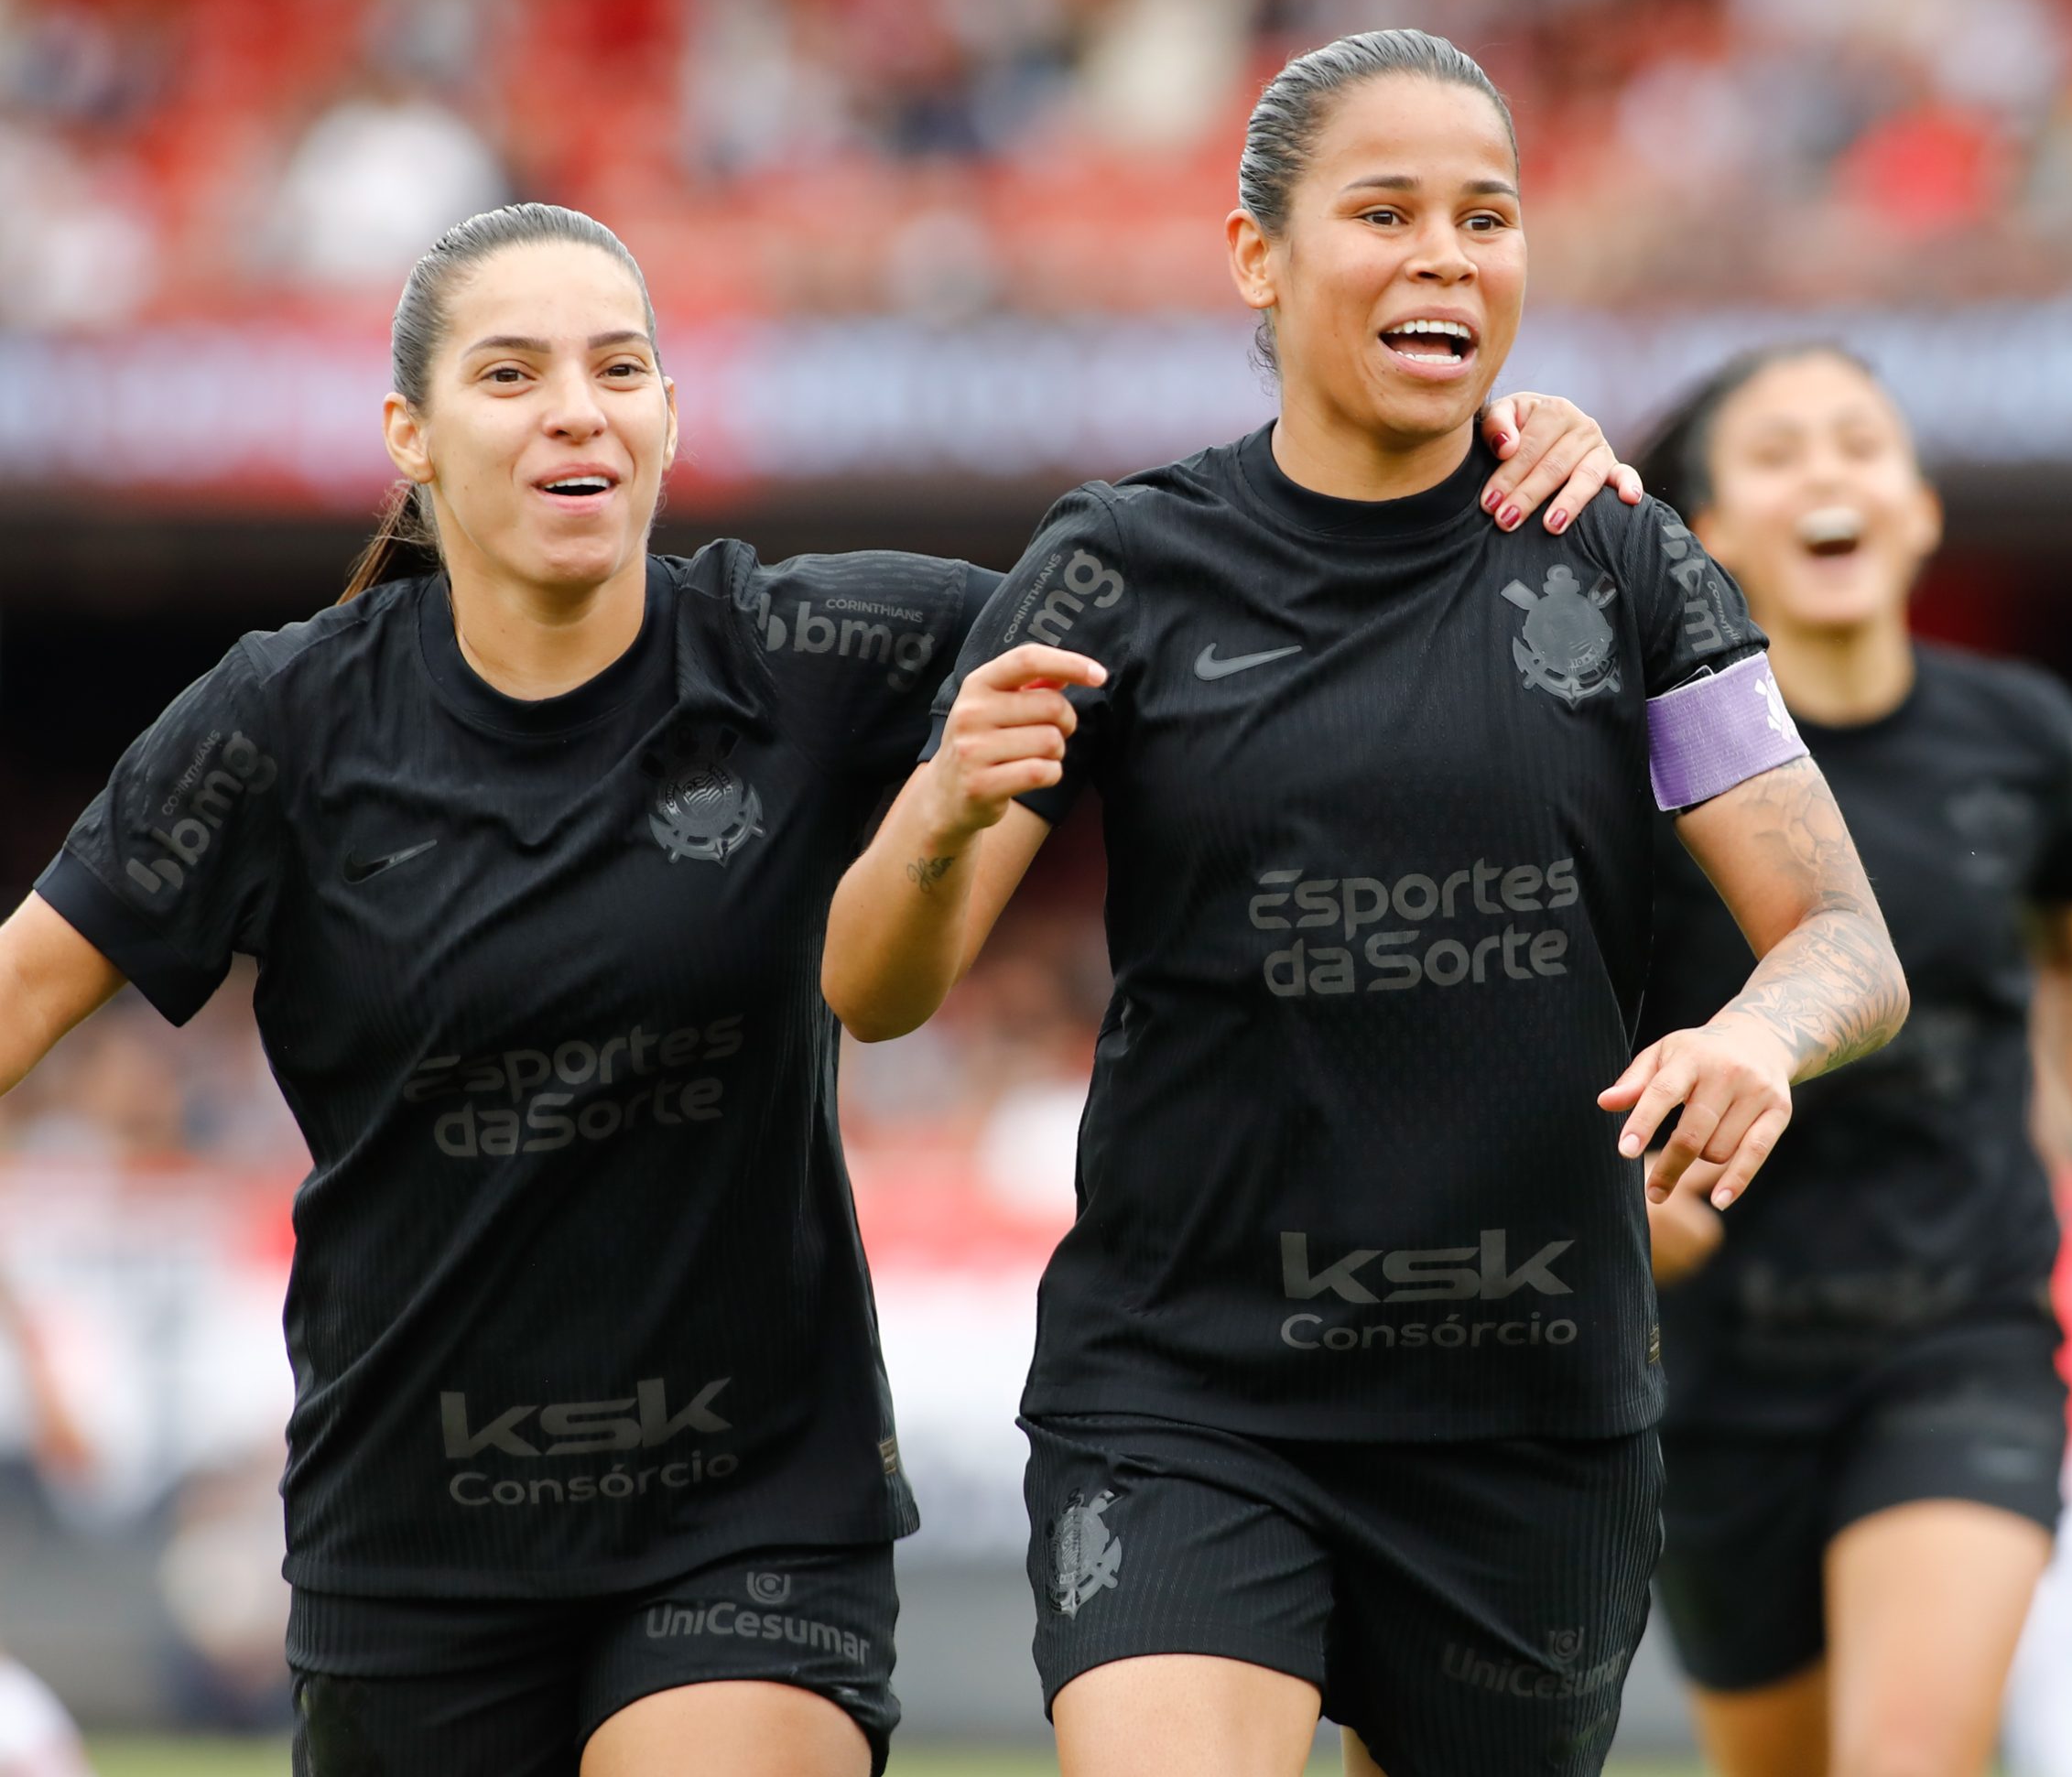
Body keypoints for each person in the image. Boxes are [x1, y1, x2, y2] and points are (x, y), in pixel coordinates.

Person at [0, 198, 1638, 1777]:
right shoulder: (278, 724)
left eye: (621, 368)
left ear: (664, 410)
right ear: (409, 434)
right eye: (511, 376)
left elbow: (1209, 601)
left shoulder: (812, 650)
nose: (577, 413)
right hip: (406, 1528)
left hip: (753, 1513)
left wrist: (1448, 447)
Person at [821, 31, 1909, 1777]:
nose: (1446, 254)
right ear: (1257, 256)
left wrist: (1761, 1037)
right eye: (1384, 209)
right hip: (1186, 1394)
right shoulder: (1117, 564)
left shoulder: (1625, 561)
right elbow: (878, 991)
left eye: (1487, 216)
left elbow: (1846, 941)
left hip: (1530, 1418)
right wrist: (943, 806)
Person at [1632, 344, 2072, 1777]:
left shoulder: (2026, 737)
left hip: (1962, 1336)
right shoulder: (1647, 771)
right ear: (1713, 529)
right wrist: (1609, 1195)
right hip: (1715, 1374)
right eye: (1780, 451)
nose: (1827, 475)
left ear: (1919, 510)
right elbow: (1549, 1024)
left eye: (1859, 445)